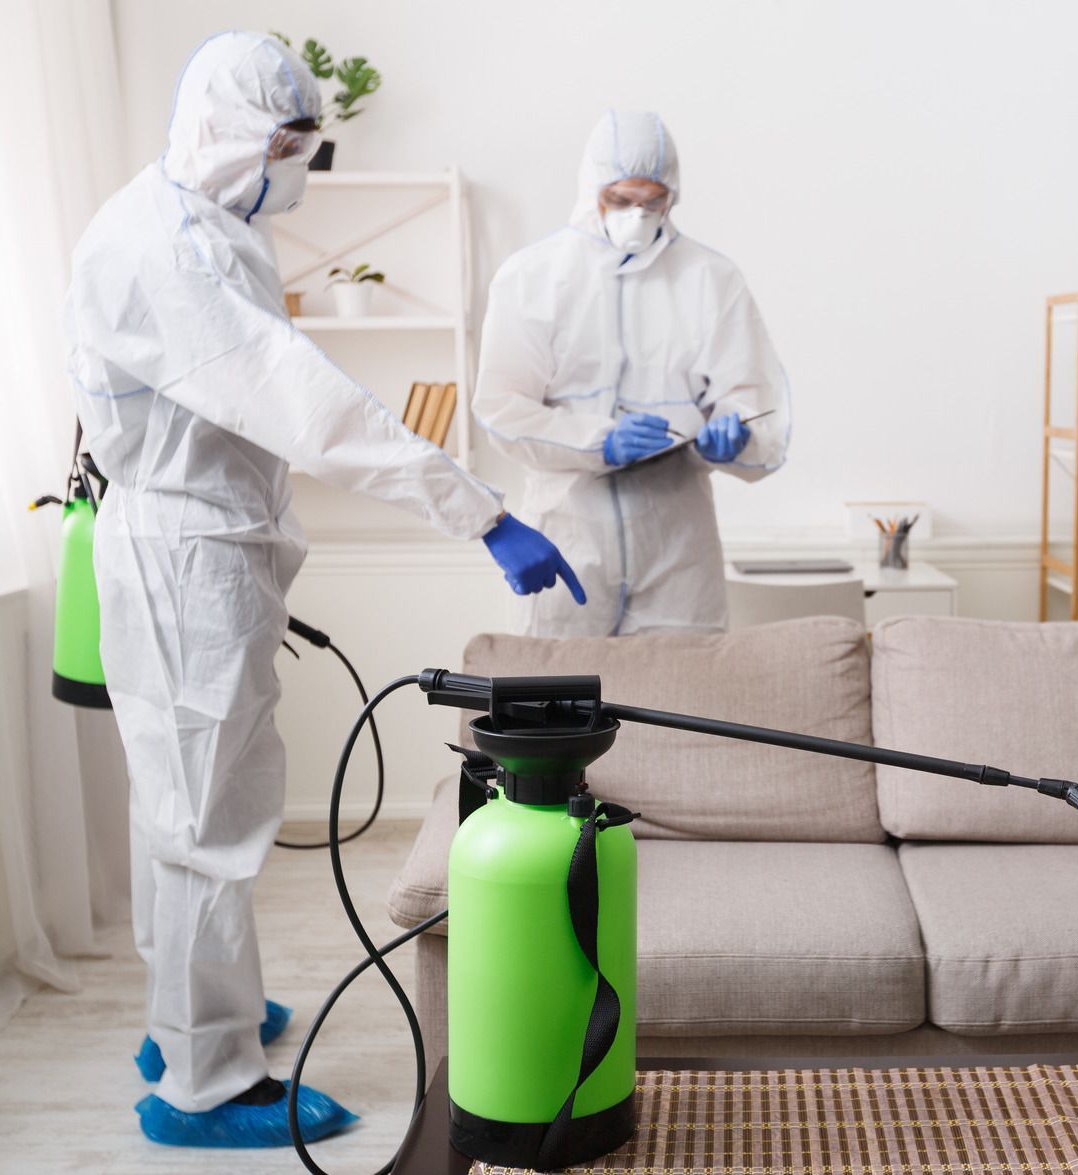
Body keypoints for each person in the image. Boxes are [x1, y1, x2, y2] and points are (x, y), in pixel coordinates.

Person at [63, 31, 582, 1148]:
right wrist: (482, 514)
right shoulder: (169, 248)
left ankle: (190, 1019)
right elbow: (305, 401)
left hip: (201, 542)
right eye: (287, 142)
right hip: (188, 549)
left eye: (308, 140)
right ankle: (206, 1081)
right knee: (206, 822)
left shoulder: (207, 224)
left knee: (183, 807)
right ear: (229, 134)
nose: (301, 163)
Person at [474, 110, 790, 637]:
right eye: (621, 199)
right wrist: (600, 441)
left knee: (684, 687)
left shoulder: (710, 278)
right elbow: (502, 410)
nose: (638, 214)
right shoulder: (533, 277)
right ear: (592, 190)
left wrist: (733, 434)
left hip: (678, 549)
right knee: (559, 685)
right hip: (570, 535)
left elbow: (753, 396)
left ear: (673, 195)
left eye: (653, 200)